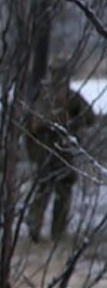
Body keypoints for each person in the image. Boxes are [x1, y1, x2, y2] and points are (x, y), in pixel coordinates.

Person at [25, 58, 96, 242]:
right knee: (62, 190)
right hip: (61, 148)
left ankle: (35, 220)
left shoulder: (41, 96)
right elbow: (90, 117)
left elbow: (30, 126)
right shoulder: (70, 96)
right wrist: (75, 121)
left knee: (44, 187)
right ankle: (56, 230)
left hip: (44, 150)